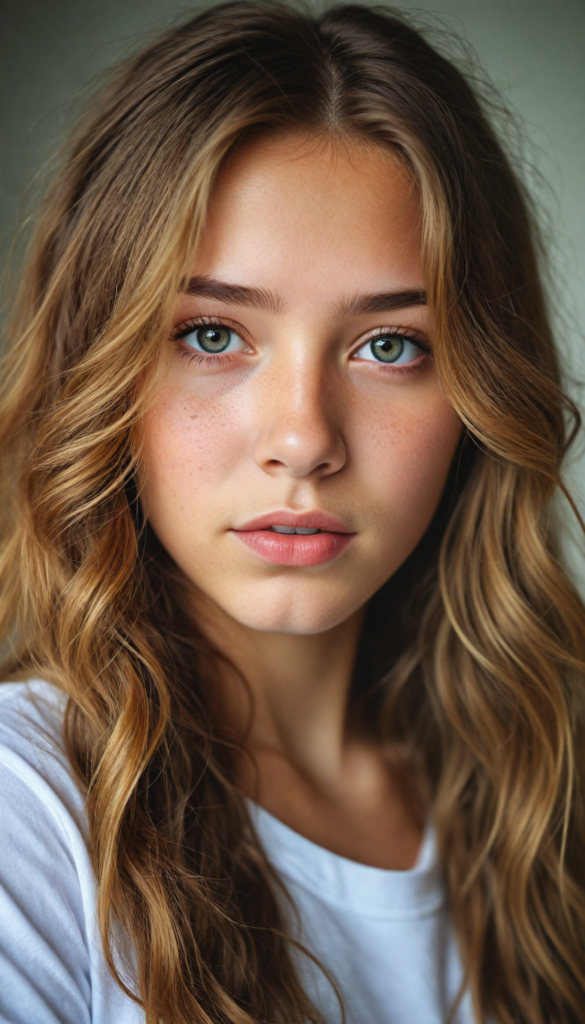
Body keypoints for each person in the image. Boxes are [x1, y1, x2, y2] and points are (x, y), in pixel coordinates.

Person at [0, 3, 584, 1022]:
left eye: (390, 345)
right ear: (101, 363)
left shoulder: (553, 778)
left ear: (482, 394)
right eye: (214, 335)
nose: (305, 438)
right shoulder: (29, 811)